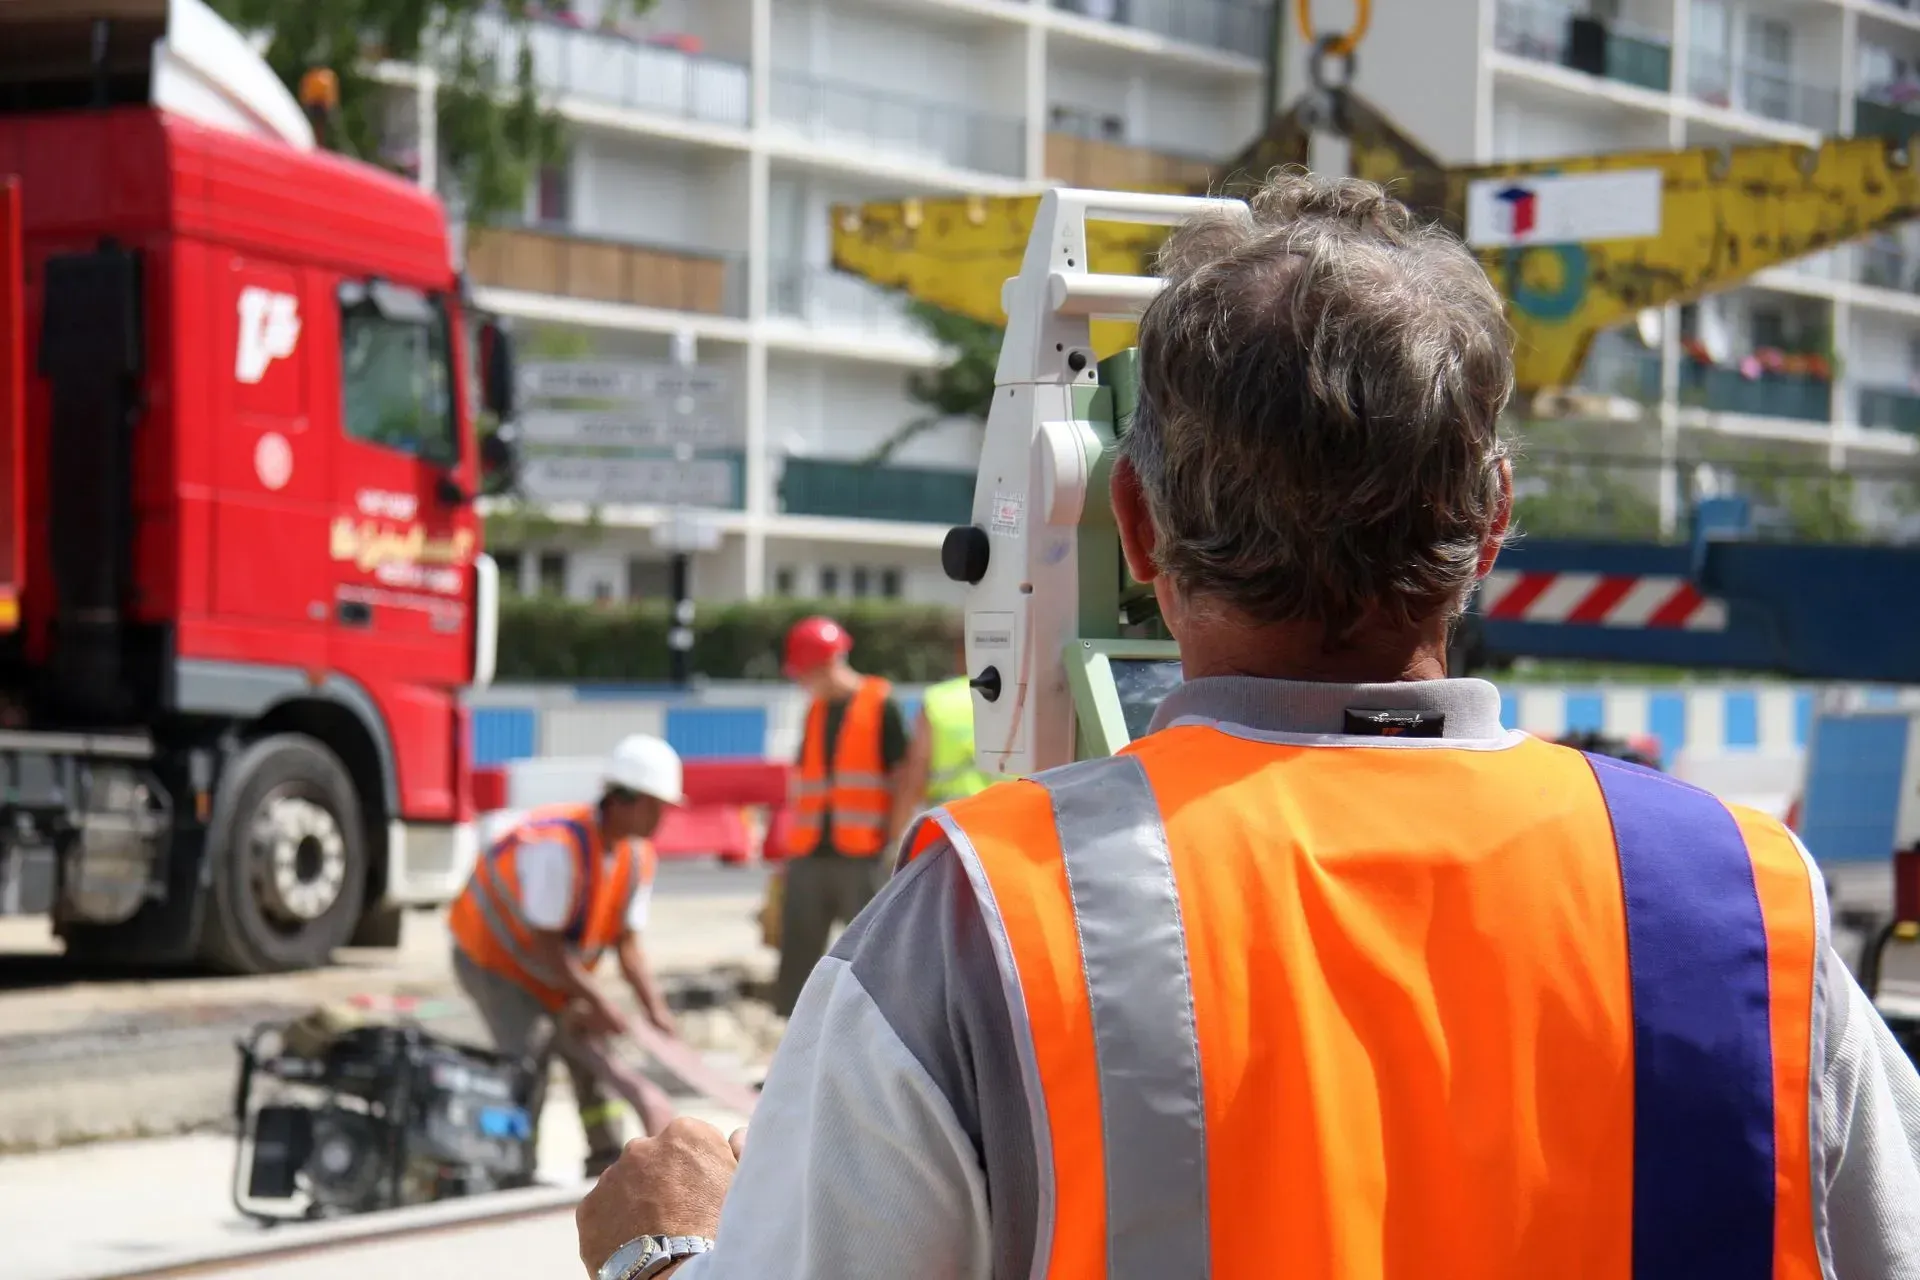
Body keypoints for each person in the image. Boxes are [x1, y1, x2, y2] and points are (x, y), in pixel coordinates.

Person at [576, 173, 1920, 1278]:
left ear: (1137, 527)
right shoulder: (1759, 915)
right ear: (1493, 523)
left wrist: (663, 1253)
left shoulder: (988, 926)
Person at [448, 733, 684, 1178]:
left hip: (549, 971)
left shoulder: (637, 858)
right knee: (530, 1053)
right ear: (620, 799)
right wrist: (599, 1002)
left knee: (591, 1051)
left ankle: (606, 1158)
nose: (661, 818)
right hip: (493, 962)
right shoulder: (558, 847)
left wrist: (656, 1012)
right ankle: (515, 1167)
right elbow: (545, 944)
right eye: (654, 806)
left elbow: (627, 946)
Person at [769, 615, 913, 1016]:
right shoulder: (814, 711)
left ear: (823, 664)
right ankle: (794, 1031)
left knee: (871, 952)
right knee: (797, 949)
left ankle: (871, 1026)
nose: (800, 682)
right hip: (811, 851)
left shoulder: (879, 702)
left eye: (802, 672)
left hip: (862, 851)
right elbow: (806, 784)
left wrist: (893, 838)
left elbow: (902, 777)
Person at [890, 643, 993, 843]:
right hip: (1008, 819)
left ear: (961, 655)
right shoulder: (1022, 696)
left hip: (952, 826)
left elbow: (915, 773)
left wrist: (896, 836)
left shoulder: (939, 699)